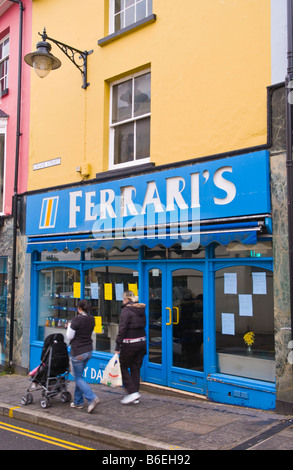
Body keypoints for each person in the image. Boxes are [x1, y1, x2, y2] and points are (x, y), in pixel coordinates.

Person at [66, 299, 100, 413]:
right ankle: (78, 402)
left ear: (79, 309)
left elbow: (69, 337)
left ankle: (92, 398)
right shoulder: (92, 319)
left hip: (78, 352)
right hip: (88, 351)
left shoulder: (76, 320)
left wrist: (69, 326)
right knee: (79, 376)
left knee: (78, 377)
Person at [115, 291, 147, 405]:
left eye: (123, 299)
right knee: (135, 368)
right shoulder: (141, 309)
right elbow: (144, 324)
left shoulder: (126, 310)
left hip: (130, 343)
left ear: (126, 300)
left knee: (123, 366)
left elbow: (122, 328)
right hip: (142, 342)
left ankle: (132, 392)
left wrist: (117, 345)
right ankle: (135, 396)